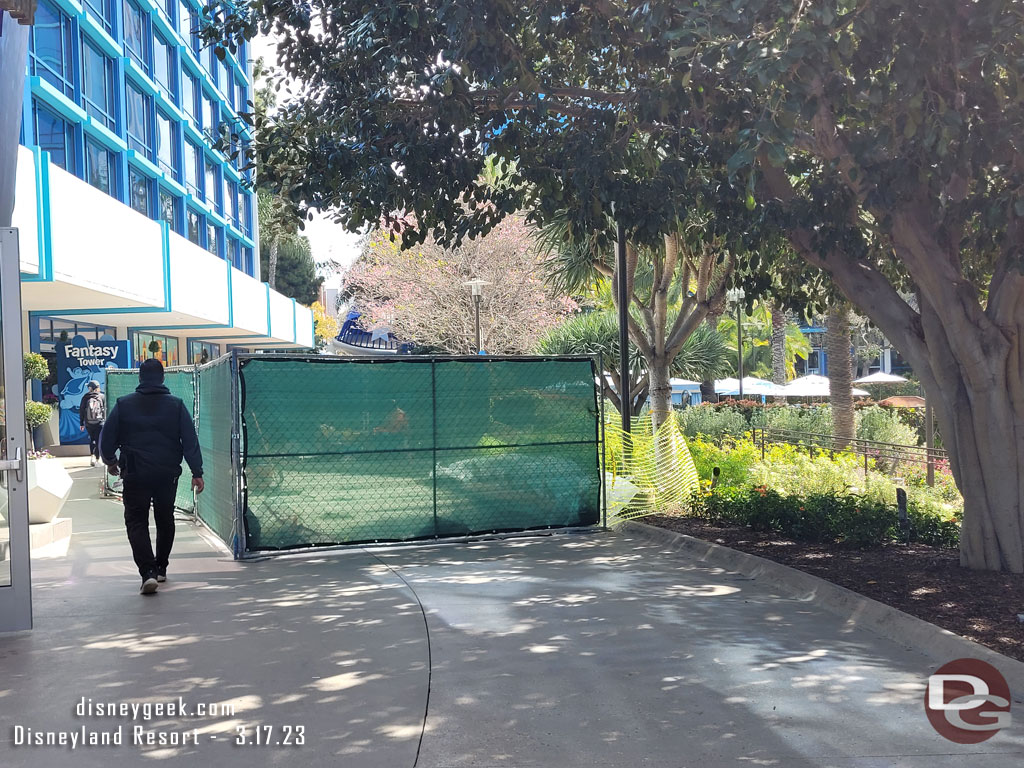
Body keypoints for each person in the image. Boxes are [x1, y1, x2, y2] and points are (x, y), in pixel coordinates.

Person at [100, 359, 204, 595]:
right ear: (163, 378)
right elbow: (189, 441)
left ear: (139, 377)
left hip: (135, 472)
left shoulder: (124, 405)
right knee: (165, 518)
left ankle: (147, 572)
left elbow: (106, 440)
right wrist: (197, 472)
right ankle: (161, 568)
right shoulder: (176, 405)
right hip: (167, 473)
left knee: (136, 521)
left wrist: (111, 461)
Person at [79, 380, 106, 467]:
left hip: (88, 422)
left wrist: (81, 423)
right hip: (100, 422)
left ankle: (92, 457)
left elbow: (82, 410)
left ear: (90, 388)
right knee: (99, 440)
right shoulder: (102, 396)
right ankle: (98, 460)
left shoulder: (85, 397)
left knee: (92, 439)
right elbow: (105, 409)